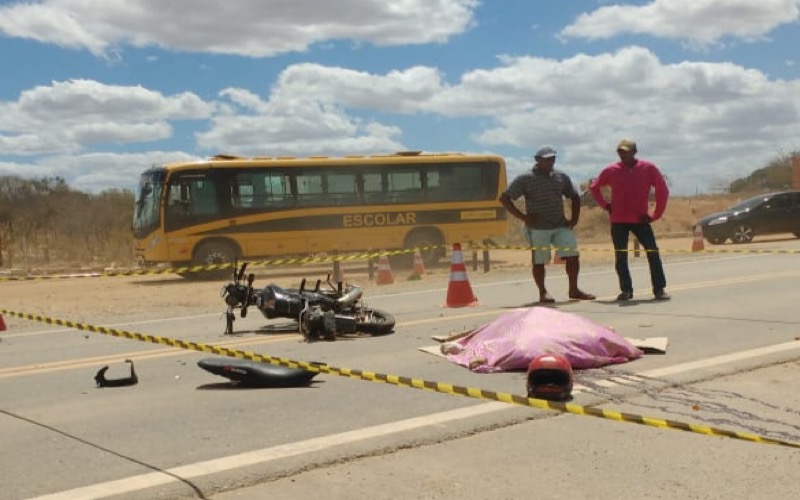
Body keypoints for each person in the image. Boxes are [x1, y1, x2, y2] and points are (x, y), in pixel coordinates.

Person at [499, 146, 595, 304]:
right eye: (547, 159)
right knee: (539, 260)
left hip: (560, 225)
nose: (550, 162)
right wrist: (523, 217)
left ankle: (574, 289)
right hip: (537, 228)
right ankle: (543, 292)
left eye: (553, 158)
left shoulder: (561, 176)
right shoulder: (525, 178)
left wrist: (574, 219)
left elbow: (575, 196)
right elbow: (505, 198)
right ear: (537, 160)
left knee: (573, 255)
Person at [589, 139, 670, 301]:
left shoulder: (648, 168)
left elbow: (663, 190)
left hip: (640, 219)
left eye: (626, 151)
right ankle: (626, 290)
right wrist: (605, 205)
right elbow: (594, 187)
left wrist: (655, 215)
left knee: (652, 252)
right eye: (620, 152)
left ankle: (659, 289)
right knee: (621, 256)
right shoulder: (611, 170)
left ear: (634, 152)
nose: (622, 155)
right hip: (618, 220)